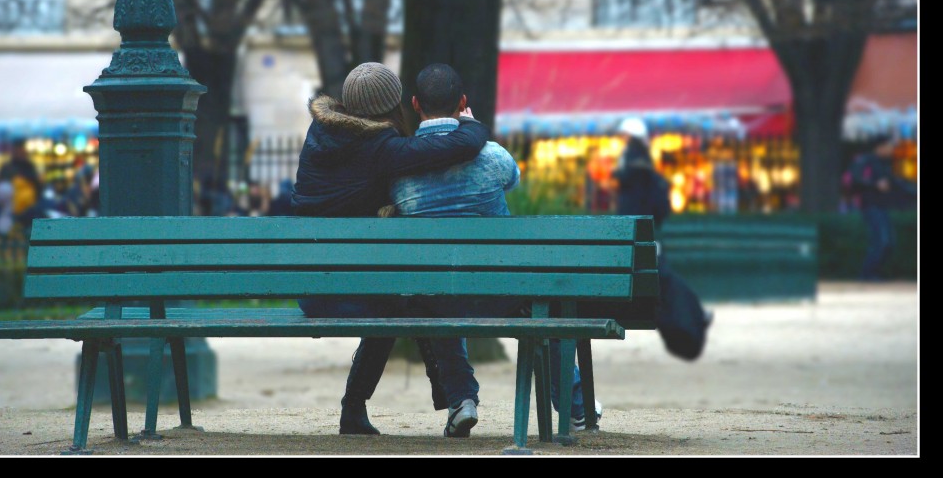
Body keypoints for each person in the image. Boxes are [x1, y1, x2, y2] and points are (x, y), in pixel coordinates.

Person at [389, 63, 600, 437]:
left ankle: (461, 401)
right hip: (501, 291)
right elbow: (513, 180)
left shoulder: (401, 170)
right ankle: (576, 407)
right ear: (464, 102)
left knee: (436, 293)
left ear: (415, 104)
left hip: (438, 296)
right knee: (543, 306)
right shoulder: (493, 157)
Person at [290, 61, 491, 436]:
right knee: (410, 301)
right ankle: (450, 396)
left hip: (311, 288)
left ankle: (369, 408)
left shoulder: (319, 135)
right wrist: (472, 121)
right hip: (340, 294)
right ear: (396, 102)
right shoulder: (382, 148)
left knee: (397, 298)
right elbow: (462, 145)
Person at [612, 117, 712, 361]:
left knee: (660, 274)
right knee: (662, 275)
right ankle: (696, 313)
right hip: (642, 250)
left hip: (620, 261)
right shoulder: (647, 176)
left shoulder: (627, 178)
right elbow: (660, 212)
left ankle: (696, 313)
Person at [843, 134, 917, 281]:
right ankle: (867, 274)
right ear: (880, 147)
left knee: (890, 242)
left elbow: (898, 183)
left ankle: (874, 273)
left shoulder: (886, 164)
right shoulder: (865, 161)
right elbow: (854, 179)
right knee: (881, 240)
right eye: (889, 145)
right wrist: (874, 185)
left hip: (882, 207)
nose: (891, 149)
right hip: (870, 206)